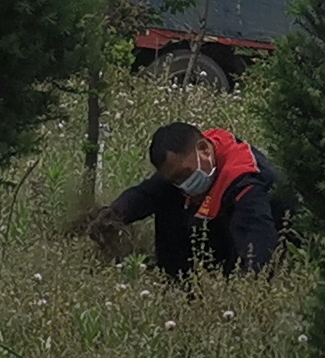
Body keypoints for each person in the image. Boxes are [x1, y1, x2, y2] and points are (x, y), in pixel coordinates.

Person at [87, 119, 283, 282]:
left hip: (247, 235)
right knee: (166, 196)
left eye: (184, 175)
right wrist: (112, 215)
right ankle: (173, 282)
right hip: (206, 242)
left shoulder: (245, 180)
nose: (184, 185)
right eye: (175, 180)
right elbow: (147, 193)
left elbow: (258, 248)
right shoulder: (189, 162)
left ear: (204, 150)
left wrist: (245, 291)